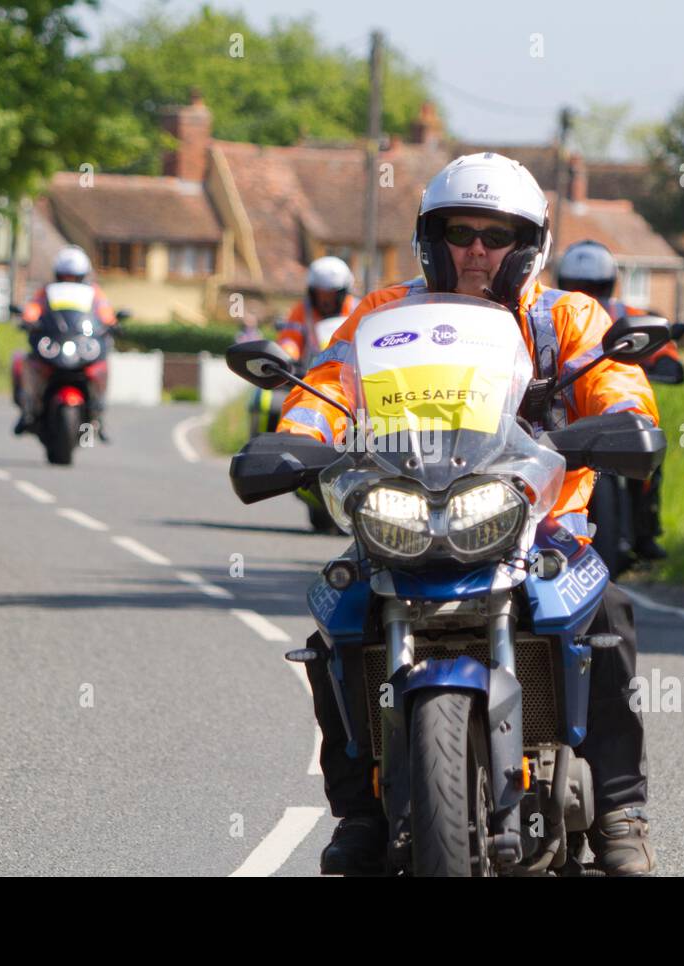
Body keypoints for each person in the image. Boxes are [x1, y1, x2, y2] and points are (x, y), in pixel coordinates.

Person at [276, 153, 659, 876]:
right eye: (460, 231)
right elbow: (327, 383)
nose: (478, 249)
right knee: (338, 615)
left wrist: (622, 420)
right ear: (430, 238)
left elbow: (619, 383)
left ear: (530, 245)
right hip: (405, 516)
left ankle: (619, 811)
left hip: (537, 523)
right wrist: (297, 437)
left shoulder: (566, 317)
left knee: (607, 614)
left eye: (497, 234)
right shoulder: (383, 315)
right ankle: (360, 811)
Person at [557, 239, 669, 562]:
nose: (585, 293)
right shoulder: (553, 312)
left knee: (650, 451)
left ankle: (645, 530)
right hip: (563, 415)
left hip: (614, 406)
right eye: (577, 286)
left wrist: (666, 360)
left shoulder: (625, 313)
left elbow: (663, 346)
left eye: (593, 286)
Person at [14, 246, 117, 440]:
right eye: (65, 275)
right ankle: (29, 407)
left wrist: (111, 323)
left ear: (82, 275)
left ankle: (98, 412)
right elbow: (34, 307)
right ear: (58, 275)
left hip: (82, 343)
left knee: (101, 366)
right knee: (26, 361)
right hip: (54, 342)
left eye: (74, 276)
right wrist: (28, 319)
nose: (69, 279)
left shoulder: (93, 292)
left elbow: (104, 310)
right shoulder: (48, 291)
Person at [278, 257, 357, 372]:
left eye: (331, 295)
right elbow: (290, 339)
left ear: (343, 292)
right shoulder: (302, 310)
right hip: (309, 378)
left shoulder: (357, 309)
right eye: (320, 294)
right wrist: (286, 356)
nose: (325, 301)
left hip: (351, 378)